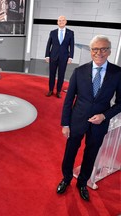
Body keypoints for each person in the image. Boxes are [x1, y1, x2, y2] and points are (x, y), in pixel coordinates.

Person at [57, 35, 121, 201]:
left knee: (91, 154)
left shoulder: (117, 73)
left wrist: (104, 116)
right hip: (77, 121)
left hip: (99, 124)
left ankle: (82, 183)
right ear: (91, 51)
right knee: (70, 152)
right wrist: (65, 124)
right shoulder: (79, 71)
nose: (99, 52)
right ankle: (66, 179)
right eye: (95, 49)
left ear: (109, 51)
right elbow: (69, 100)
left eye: (103, 49)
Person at [45, 15, 74, 98]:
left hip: (64, 57)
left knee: (61, 75)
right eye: (59, 20)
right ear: (57, 22)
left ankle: (58, 91)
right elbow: (48, 44)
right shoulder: (53, 32)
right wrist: (47, 55)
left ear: (66, 22)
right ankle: (50, 90)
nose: (61, 22)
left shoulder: (70, 33)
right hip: (53, 56)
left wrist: (70, 57)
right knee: (52, 74)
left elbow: (71, 46)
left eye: (63, 20)